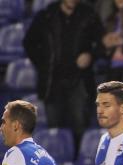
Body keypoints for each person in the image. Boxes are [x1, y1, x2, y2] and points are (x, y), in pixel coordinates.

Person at [23, 0, 104, 142]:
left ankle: (78, 162)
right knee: (55, 130)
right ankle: (57, 162)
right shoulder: (46, 16)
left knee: (80, 127)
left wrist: (91, 55)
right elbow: (29, 42)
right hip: (52, 82)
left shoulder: (89, 15)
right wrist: (44, 63)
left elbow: (102, 44)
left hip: (80, 80)